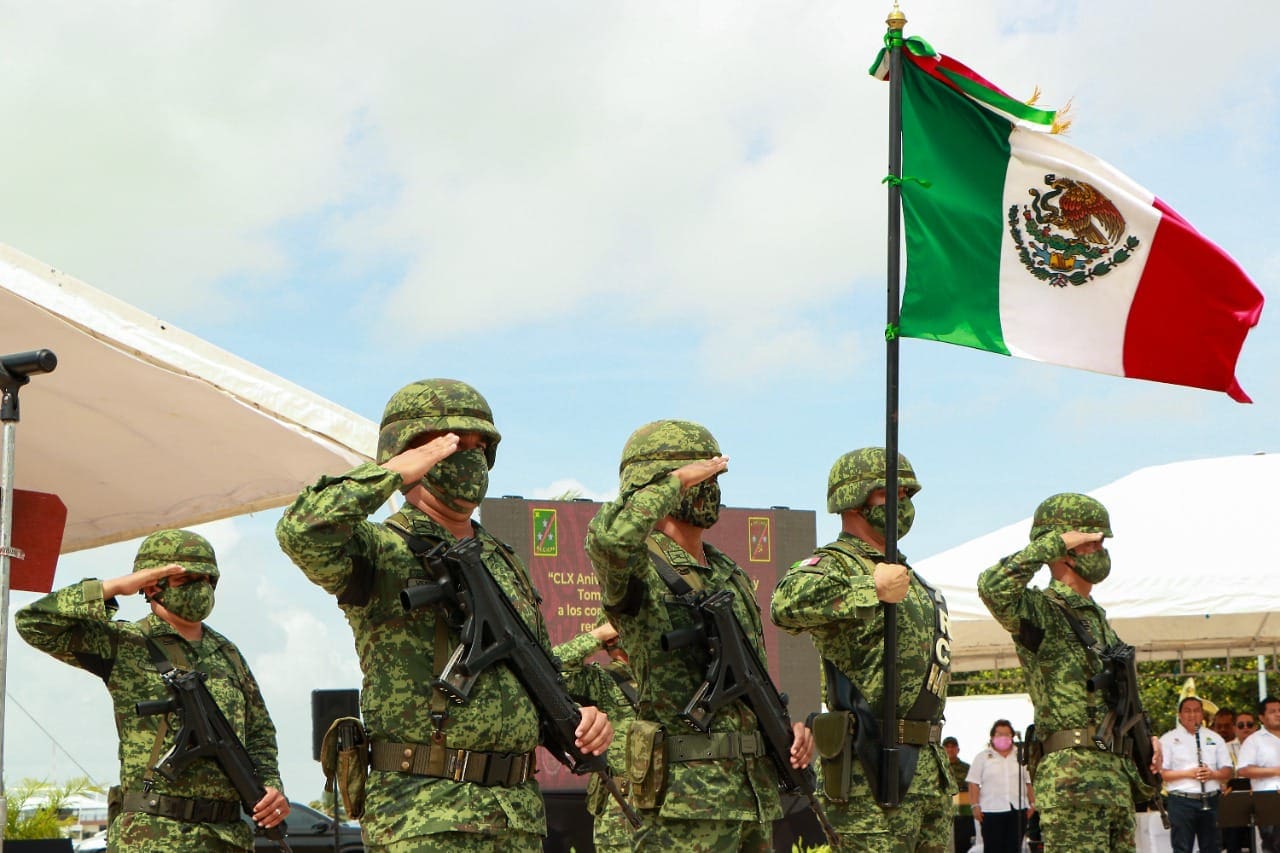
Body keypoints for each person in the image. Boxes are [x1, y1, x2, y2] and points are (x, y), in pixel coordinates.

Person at [276, 379, 612, 852]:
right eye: (450, 445)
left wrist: (591, 715)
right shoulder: (380, 550)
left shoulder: (502, 558)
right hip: (424, 816)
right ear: (409, 452)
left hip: (516, 817)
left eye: (480, 447)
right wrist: (390, 474)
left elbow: (533, 672)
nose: (469, 458)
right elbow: (301, 530)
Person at [584, 419, 813, 852]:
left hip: (750, 797)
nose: (710, 487)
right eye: (700, 476)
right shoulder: (641, 568)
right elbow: (609, 540)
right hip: (681, 804)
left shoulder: (728, 572)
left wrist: (787, 732)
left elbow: (750, 678)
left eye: (715, 477)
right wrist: (672, 482)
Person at [16, 529, 288, 852]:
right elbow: (33, 622)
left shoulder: (227, 654)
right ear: (152, 585)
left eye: (207, 578)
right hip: (153, 836)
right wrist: (116, 587)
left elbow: (259, 733)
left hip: (226, 838)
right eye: (185, 579)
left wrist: (271, 786)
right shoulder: (126, 644)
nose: (200, 587)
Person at [772, 447, 953, 852]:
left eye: (908, 496)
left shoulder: (913, 579)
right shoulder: (837, 564)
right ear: (853, 498)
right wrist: (870, 588)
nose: (903, 506)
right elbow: (784, 604)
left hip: (927, 771)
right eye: (892, 495)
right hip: (870, 773)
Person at [977, 493, 1162, 852]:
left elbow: (1120, 696)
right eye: (1088, 542)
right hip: (1071, 779)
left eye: (1101, 541)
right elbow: (992, 586)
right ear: (1063, 548)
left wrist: (1147, 734)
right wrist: (1050, 545)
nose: (1100, 549)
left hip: (1115, 777)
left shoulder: (1097, 618)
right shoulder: (1040, 611)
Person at [553, 616, 638, 853]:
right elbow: (552, 668)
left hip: (673, 806)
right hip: (622, 814)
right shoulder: (604, 680)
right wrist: (598, 636)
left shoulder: (669, 679)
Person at [1159, 696, 1231, 853]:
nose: (1192, 715)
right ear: (1179, 715)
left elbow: (1228, 770)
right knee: (1182, 848)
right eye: (1187, 711)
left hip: (1211, 799)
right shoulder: (1168, 739)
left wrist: (1212, 774)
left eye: (1197, 711)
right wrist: (1188, 774)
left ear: (1202, 714)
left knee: (1212, 847)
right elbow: (1162, 774)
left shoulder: (1214, 738)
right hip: (1181, 801)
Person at [966, 719, 1033, 853]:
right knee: (993, 848)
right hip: (991, 811)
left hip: (1017, 810)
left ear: (1012, 737)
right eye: (999, 734)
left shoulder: (1021, 756)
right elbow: (973, 782)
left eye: (1007, 734)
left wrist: (1033, 803)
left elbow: (1028, 782)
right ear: (992, 737)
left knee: (1014, 848)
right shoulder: (982, 757)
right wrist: (974, 805)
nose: (1003, 737)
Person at [1237, 696, 1280, 853]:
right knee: (1273, 845)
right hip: (1268, 799)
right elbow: (1243, 770)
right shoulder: (1254, 741)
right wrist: (1275, 771)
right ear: (1262, 717)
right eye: (1273, 711)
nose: (1278, 714)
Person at [1223, 709, 1259, 853]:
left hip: (1261, 798)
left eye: (1249, 725)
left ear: (1256, 727)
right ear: (1234, 729)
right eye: (1241, 725)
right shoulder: (1226, 748)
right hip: (1234, 800)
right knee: (1233, 841)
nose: (1246, 728)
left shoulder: (1264, 746)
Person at [943, 736, 975, 852]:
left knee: (964, 843)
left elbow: (973, 787)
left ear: (958, 749)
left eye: (953, 747)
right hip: (944, 810)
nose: (950, 749)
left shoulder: (967, 768)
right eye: (947, 747)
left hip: (963, 811)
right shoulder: (938, 767)